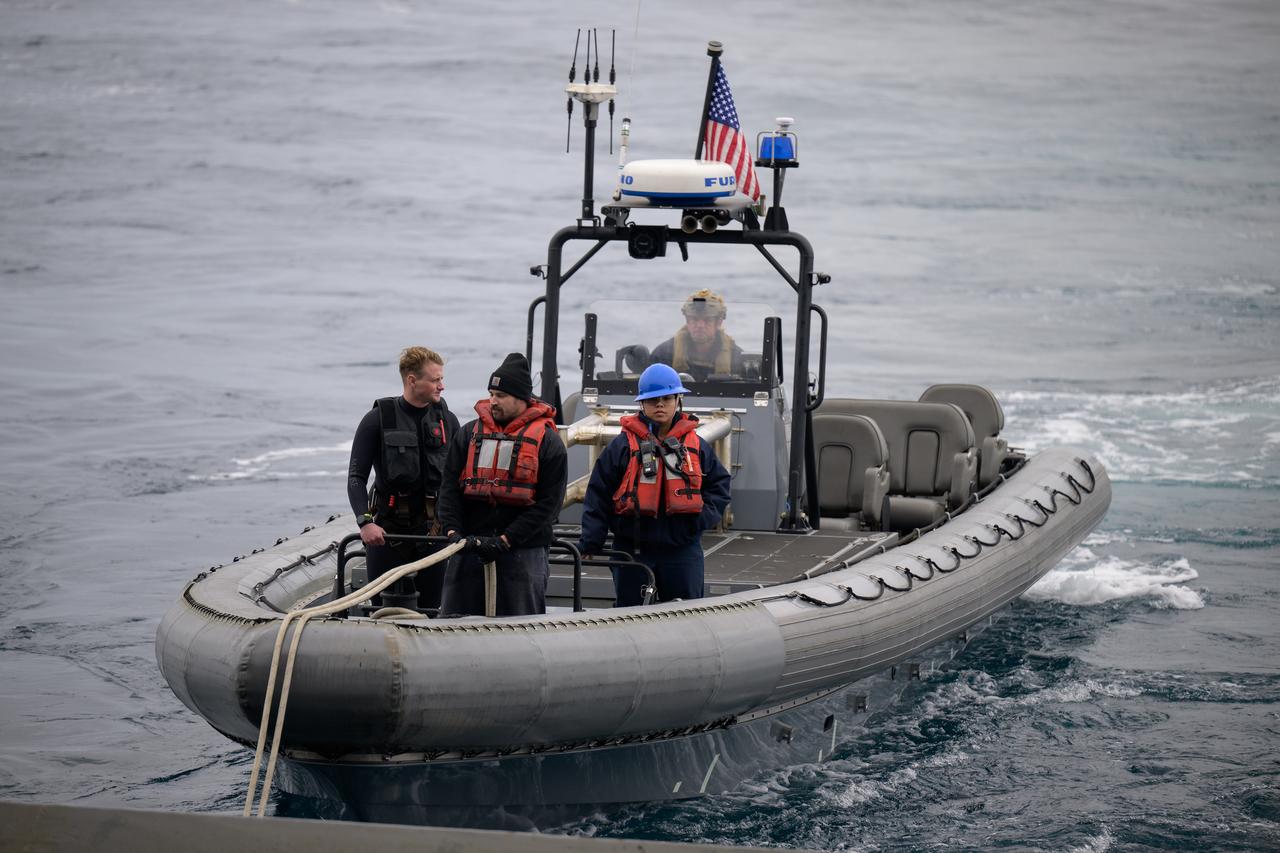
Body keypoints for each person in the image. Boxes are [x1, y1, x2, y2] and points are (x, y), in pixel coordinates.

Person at [578, 363, 732, 606]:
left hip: (682, 549)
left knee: (686, 614)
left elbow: (719, 486)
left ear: (677, 400)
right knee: (629, 614)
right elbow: (599, 493)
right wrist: (591, 541)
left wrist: (698, 521)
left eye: (666, 398)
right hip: (632, 549)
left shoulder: (697, 446)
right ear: (642, 404)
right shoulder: (621, 447)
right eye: (653, 400)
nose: (660, 405)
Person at [436, 352, 568, 617]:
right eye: (491, 394)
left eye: (500, 395)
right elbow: (449, 487)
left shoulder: (549, 443)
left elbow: (548, 506)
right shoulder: (468, 434)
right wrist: (453, 532)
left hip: (522, 551)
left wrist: (507, 539)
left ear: (521, 398)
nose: (493, 401)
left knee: (520, 622)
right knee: (454, 619)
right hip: (468, 546)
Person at [347, 346, 460, 611]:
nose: (441, 386)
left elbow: (458, 478)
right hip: (388, 534)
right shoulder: (377, 420)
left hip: (434, 535)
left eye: (441, 379)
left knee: (432, 613)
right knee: (382, 611)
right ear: (412, 380)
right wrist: (365, 523)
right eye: (435, 380)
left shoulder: (447, 421)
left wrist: (456, 525)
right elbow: (356, 477)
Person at [649, 288, 745, 381]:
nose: (700, 325)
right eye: (694, 319)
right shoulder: (664, 355)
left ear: (718, 323)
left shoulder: (737, 358)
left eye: (707, 320)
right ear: (687, 321)